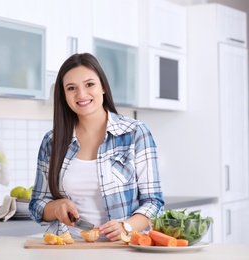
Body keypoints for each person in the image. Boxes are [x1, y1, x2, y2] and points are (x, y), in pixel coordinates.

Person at [29, 53, 164, 241]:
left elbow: (154, 203)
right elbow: (37, 204)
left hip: (124, 248)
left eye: (89, 84)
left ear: (102, 87)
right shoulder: (52, 141)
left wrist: (126, 226)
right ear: (64, 95)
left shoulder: (135, 133)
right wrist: (57, 207)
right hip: (68, 249)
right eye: (71, 88)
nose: (81, 94)